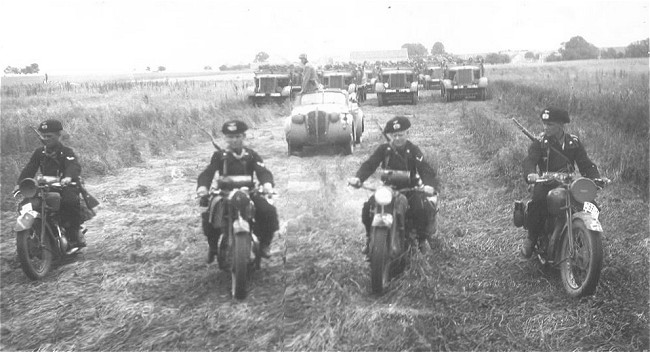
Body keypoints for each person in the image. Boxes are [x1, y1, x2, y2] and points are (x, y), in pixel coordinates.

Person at [349, 116, 441, 255]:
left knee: (420, 208)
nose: (398, 138)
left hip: (410, 189)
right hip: (388, 189)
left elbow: (424, 169)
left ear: (407, 134)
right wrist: (358, 178)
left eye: (401, 135)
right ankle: (370, 239)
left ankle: (421, 240)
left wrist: (429, 185)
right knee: (368, 207)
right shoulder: (384, 149)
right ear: (391, 135)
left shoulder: (413, 150)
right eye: (395, 135)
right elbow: (370, 164)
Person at [520, 107, 600, 258]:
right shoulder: (540, 142)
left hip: (568, 184)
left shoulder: (574, 142)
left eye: (549, 124)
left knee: (592, 205)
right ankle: (531, 238)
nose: (545, 127)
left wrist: (595, 178)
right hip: (546, 182)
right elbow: (529, 160)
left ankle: (588, 239)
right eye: (544, 124)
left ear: (561, 125)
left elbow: (585, 164)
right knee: (538, 201)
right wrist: (531, 173)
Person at [196, 120, 279, 263]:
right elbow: (208, 173)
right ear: (225, 138)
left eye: (237, 136)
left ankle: (264, 245)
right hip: (224, 194)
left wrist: (267, 185)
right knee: (209, 216)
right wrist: (203, 187)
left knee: (268, 211)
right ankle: (213, 247)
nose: (234, 140)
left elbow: (263, 171)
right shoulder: (219, 156)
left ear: (243, 137)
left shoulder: (251, 155)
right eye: (230, 137)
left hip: (249, 194)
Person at [15, 119, 85, 247]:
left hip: (65, 185)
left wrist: (68, 177)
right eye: (43, 136)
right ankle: (27, 240)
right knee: (26, 205)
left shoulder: (66, 151)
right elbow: (30, 168)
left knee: (70, 202)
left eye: (50, 136)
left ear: (59, 135)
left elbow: (73, 166)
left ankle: (74, 233)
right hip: (45, 186)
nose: (46, 139)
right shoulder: (39, 152)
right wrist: (20, 184)